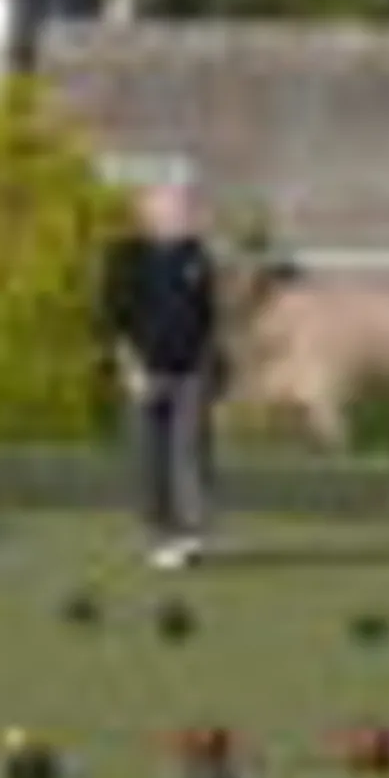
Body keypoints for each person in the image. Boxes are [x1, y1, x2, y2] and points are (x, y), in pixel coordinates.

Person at [104, 180, 223, 569]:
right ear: (150, 214)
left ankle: (192, 534)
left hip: (191, 372)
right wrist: (132, 370)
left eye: (186, 207)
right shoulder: (126, 256)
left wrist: (208, 365)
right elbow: (115, 319)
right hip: (145, 370)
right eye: (175, 207)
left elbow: (207, 317)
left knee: (188, 452)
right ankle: (160, 534)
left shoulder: (197, 256)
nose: (185, 213)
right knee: (149, 457)